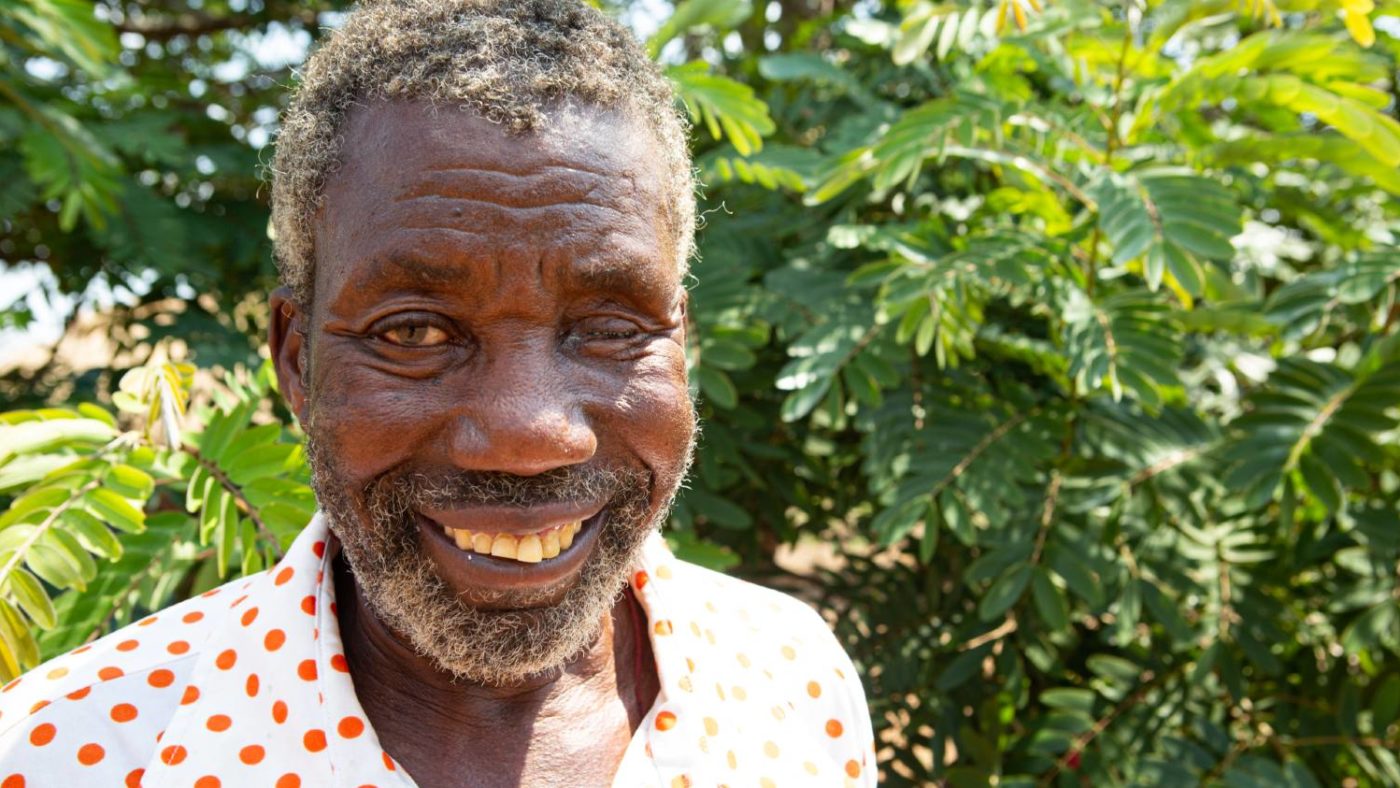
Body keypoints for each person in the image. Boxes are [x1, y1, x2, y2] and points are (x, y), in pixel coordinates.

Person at [0, 1, 876, 785]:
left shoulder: (794, 681)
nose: (530, 434)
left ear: (679, 343)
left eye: (610, 327)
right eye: (415, 332)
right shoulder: (64, 753)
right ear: (296, 362)